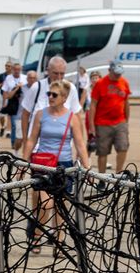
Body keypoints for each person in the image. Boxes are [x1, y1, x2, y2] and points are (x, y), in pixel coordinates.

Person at [20, 77, 89, 237]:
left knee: (61, 207)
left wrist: (86, 166)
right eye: (49, 94)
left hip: (64, 164)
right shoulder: (40, 114)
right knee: (46, 204)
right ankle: (37, 235)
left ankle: (59, 241)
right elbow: (31, 140)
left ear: (64, 98)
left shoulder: (72, 117)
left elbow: (80, 144)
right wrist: (23, 163)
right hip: (43, 164)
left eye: (54, 95)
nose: (50, 97)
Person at [19, 56, 82, 145]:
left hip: (62, 147)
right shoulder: (37, 87)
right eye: (55, 73)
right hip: (37, 146)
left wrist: (80, 144)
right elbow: (25, 114)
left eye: (62, 73)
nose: (59, 77)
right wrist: (25, 140)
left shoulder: (71, 88)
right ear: (48, 71)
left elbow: (77, 115)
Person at [88, 62, 133, 174]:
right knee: (102, 152)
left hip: (120, 121)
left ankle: (118, 173)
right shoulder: (100, 84)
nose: (118, 76)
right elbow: (93, 105)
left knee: (123, 147)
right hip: (102, 123)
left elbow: (126, 102)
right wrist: (91, 125)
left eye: (119, 74)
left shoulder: (124, 82)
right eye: (115, 73)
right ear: (109, 71)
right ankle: (102, 177)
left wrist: (126, 121)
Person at [0, 60, 24, 146]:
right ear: (13, 69)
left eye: (18, 69)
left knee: (22, 124)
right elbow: (4, 91)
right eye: (15, 69)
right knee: (14, 124)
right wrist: (4, 103)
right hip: (13, 104)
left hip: (23, 104)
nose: (17, 71)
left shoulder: (24, 78)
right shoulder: (8, 78)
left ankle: (21, 140)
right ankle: (14, 142)